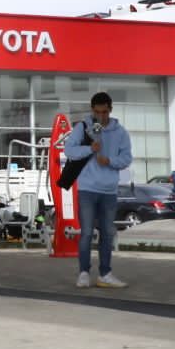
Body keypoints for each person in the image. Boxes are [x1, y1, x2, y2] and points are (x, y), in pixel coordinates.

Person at [62, 91, 131, 288]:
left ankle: (105, 274)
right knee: (86, 232)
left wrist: (110, 161)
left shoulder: (120, 132)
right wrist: (89, 149)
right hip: (87, 188)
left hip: (109, 190)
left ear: (110, 109)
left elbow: (126, 158)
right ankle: (84, 272)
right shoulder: (84, 127)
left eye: (104, 112)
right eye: (97, 112)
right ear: (92, 110)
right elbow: (69, 150)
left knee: (108, 233)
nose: (101, 116)